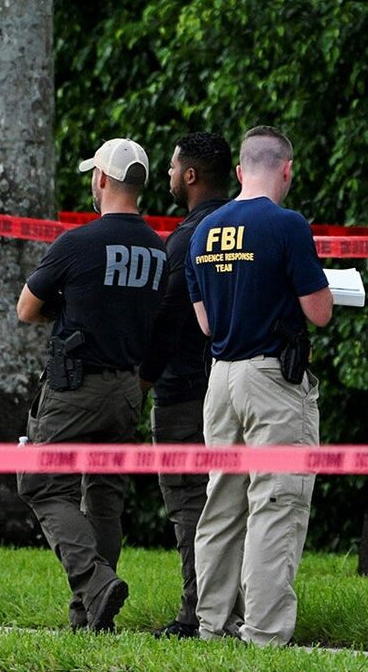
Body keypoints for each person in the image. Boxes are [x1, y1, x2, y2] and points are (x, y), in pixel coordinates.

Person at [186, 125, 333, 646]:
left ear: (242, 170)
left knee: (221, 505)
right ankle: (265, 633)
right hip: (271, 378)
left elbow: (205, 323)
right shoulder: (287, 225)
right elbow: (319, 312)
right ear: (286, 170)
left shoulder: (204, 230)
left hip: (220, 380)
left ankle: (212, 624)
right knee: (276, 500)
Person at [15, 137, 166, 632]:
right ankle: (90, 618)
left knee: (39, 482)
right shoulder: (158, 250)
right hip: (127, 390)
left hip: (75, 388)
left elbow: (26, 308)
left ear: (101, 179)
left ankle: (94, 581)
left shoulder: (76, 243)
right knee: (105, 495)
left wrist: (68, 307)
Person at [138, 131, 233, 639]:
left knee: (189, 503)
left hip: (183, 394)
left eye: (174, 168)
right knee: (233, 501)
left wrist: (143, 381)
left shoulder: (182, 242)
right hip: (234, 385)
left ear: (191, 175)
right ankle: (236, 607)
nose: (170, 176)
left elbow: (167, 322)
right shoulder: (244, 230)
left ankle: (195, 612)